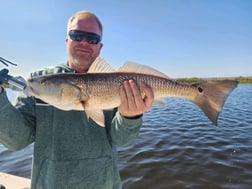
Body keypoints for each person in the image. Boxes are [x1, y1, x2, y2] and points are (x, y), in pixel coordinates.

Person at [0, 11, 154, 189]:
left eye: (92, 38)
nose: (84, 42)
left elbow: (122, 140)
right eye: (77, 35)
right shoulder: (38, 80)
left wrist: (130, 117)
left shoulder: (117, 83)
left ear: (100, 46)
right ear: (67, 40)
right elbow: (16, 141)